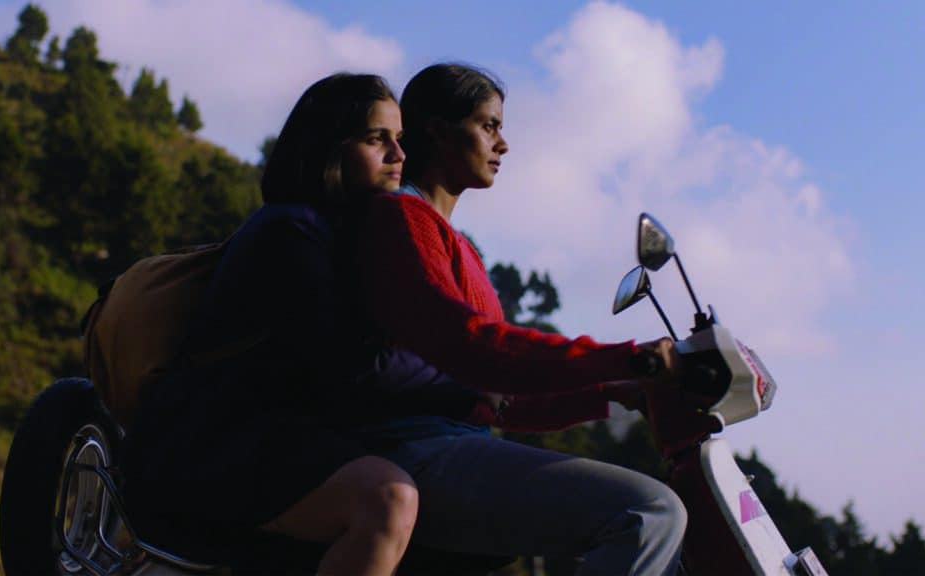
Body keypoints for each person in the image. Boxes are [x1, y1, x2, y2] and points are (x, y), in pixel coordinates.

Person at [354, 63, 688, 575]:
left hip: (452, 444)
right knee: (649, 513)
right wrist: (626, 357)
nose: (503, 144)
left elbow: (498, 401)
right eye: (488, 126)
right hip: (411, 448)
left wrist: (613, 392)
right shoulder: (401, 218)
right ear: (437, 131)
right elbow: (473, 348)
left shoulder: (457, 245)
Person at [122, 73, 424, 576]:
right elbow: (348, 365)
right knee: (387, 499)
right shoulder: (291, 230)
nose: (398, 153)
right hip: (210, 448)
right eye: (377, 139)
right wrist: (470, 384)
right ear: (328, 147)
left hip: (260, 444)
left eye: (400, 139)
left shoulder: (337, 234)